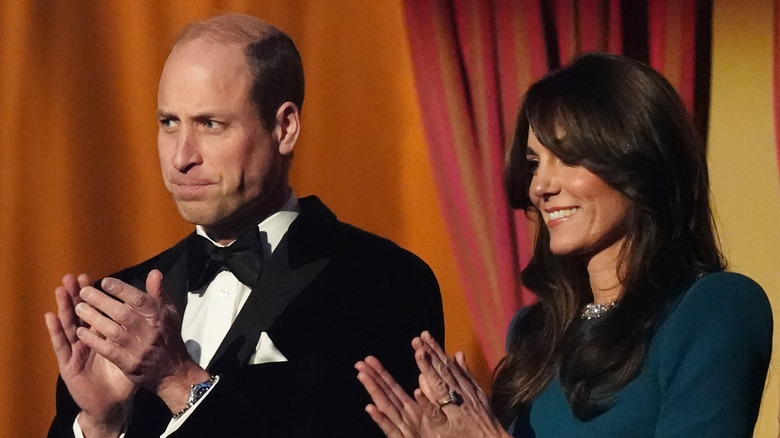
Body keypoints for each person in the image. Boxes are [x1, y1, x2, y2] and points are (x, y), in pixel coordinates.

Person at [44, 13, 444, 438]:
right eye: (169, 123)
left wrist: (180, 382)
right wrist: (100, 424)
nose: (181, 157)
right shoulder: (121, 305)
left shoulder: (385, 283)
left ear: (284, 127)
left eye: (210, 124)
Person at [356, 52, 772, 437]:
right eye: (535, 164)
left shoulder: (714, 308)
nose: (540, 186)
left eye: (569, 158)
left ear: (641, 161)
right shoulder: (534, 333)